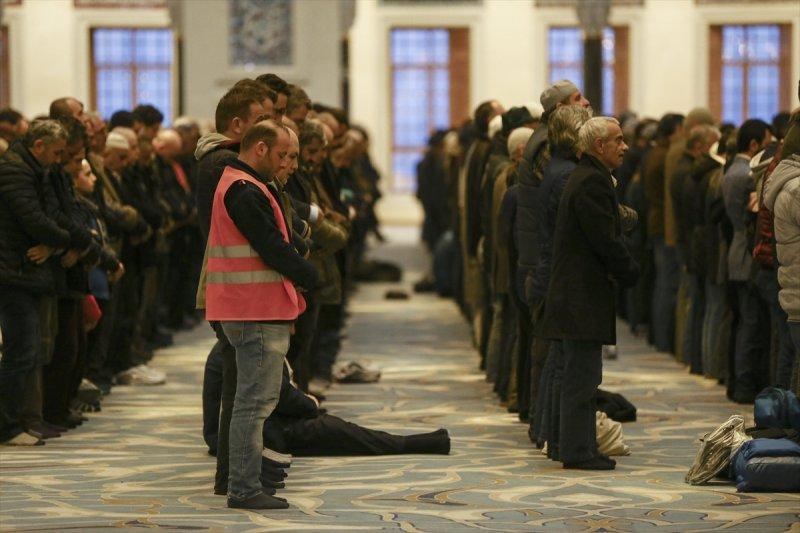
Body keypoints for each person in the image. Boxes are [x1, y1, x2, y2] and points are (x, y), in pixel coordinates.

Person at [204, 119, 317, 510]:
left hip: (252, 305)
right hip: (251, 309)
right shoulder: (243, 188)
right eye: (284, 155)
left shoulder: (248, 185)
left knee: (254, 402)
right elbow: (271, 246)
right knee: (252, 404)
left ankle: (245, 483)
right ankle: (244, 487)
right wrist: (309, 275)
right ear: (261, 148)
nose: (290, 164)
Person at [535, 117, 638, 470]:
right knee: (583, 378)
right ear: (599, 146)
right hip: (580, 295)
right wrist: (631, 271)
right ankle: (578, 451)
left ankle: (568, 445)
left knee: (576, 375)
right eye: (618, 140)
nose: (625, 147)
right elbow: (605, 241)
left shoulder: (586, 176)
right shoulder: (592, 181)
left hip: (574, 293)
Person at [0, 119, 71, 446]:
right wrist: (64, 239)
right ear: (38, 145)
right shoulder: (16, 172)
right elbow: (35, 219)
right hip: (13, 271)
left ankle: (16, 421)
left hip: (23, 270)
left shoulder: (34, 170)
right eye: (55, 152)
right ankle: (7, 425)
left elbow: (53, 214)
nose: (58, 159)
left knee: (27, 351)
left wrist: (56, 242)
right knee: (21, 351)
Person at [527, 104, 592, 450]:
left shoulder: (556, 167)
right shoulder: (567, 174)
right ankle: (555, 434)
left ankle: (548, 431)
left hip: (548, 271)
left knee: (556, 361)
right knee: (562, 364)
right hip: (557, 275)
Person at [722, 119, 773, 403]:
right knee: (750, 325)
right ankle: (743, 384)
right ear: (754, 145)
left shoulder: (732, 169)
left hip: (736, 252)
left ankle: (740, 381)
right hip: (744, 255)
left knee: (744, 323)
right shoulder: (746, 174)